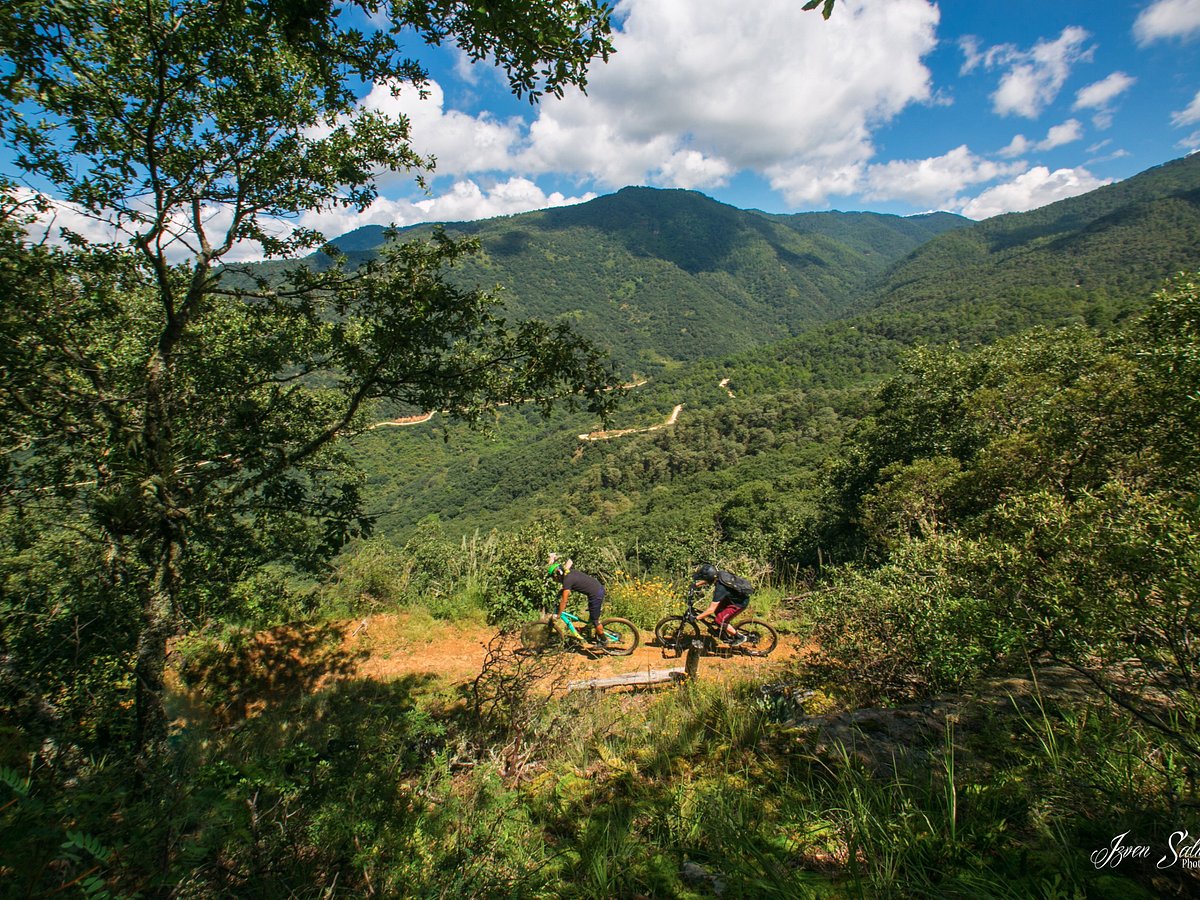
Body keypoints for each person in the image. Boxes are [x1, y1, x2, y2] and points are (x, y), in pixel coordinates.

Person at [547, 554, 608, 644]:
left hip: (596, 594)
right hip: (596, 589)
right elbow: (566, 588)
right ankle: (588, 632)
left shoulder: (567, 580)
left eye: (553, 577)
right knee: (591, 618)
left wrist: (559, 614)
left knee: (595, 621)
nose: (554, 580)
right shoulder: (568, 573)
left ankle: (604, 640)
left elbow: (564, 600)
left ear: (557, 575)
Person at [691, 563, 751, 647]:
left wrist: (696, 618)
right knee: (718, 611)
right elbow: (709, 579)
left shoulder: (720, 589)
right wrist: (696, 585)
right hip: (734, 599)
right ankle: (723, 630)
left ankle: (740, 637)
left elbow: (710, 610)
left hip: (739, 604)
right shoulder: (719, 574)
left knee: (719, 621)